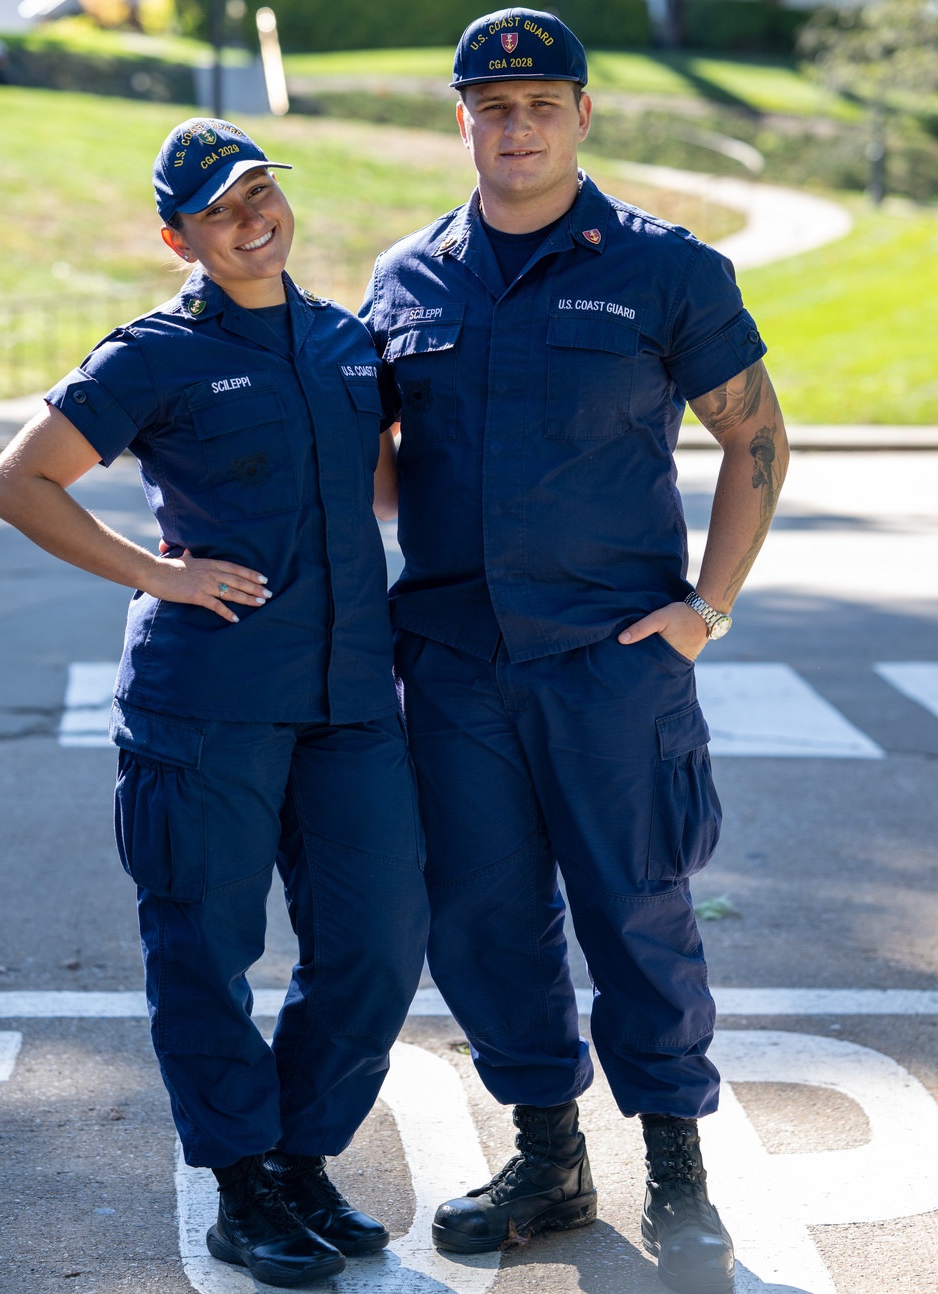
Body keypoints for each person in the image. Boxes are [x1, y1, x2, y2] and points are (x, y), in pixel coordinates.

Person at [361, 9, 789, 1293]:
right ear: (462, 124)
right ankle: (548, 1158)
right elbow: (380, 462)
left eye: (542, 104)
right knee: (484, 921)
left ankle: (677, 1168)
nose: (517, 126)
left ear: (584, 116)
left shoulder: (666, 270)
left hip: (612, 665)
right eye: (492, 109)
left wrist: (705, 608)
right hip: (454, 666)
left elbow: (756, 440)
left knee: (638, 910)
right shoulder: (407, 277)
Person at [0, 117, 430, 1289]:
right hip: (210, 701)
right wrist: (158, 571)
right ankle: (241, 1186)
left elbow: (386, 478)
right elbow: (16, 481)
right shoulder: (154, 353)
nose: (252, 218)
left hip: (350, 699)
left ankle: (299, 1154)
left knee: (379, 940)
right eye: (222, 207)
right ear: (176, 233)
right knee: (206, 949)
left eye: (262, 194)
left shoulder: (347, 341)